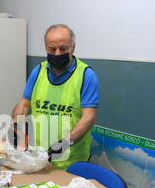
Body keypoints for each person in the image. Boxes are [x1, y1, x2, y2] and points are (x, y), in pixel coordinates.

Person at [12, 24, 100, 170]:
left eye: (63, 49)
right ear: (46, 48)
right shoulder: (38, 71)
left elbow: (88, 118)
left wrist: (64, 143)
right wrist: (18, 127)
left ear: (73, 47)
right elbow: (24, 105)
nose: (58, 54)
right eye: (52, 49)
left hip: (72, 163)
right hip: (38, 158)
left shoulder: (86, 76)